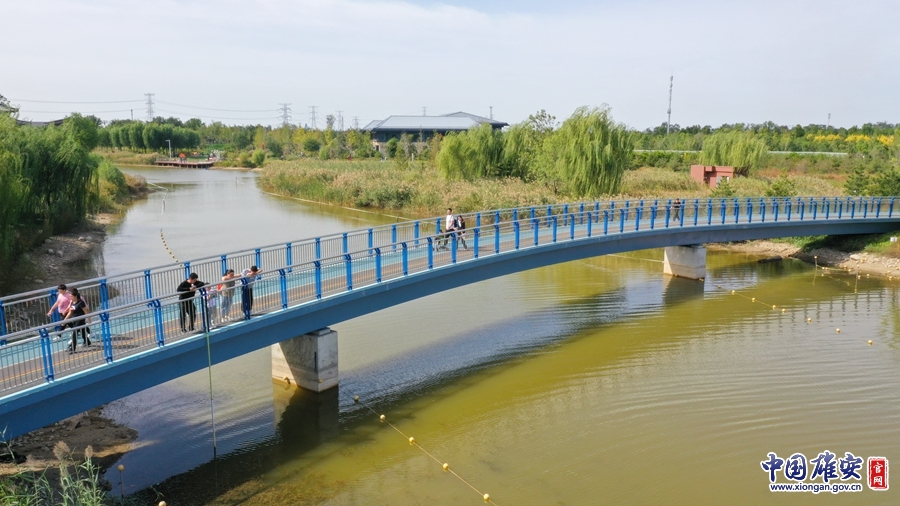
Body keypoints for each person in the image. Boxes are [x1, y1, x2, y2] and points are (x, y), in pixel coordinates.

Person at [63, 288, 90, 353]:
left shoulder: (81, 302)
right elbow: (70, 312)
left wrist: (89, 319)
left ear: (75, 296)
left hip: (80, 320)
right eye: (70, 296)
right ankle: (87, 342)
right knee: (82, 332)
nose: (70, 298)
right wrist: (64, 320)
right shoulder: (72, 302)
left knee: (74, 333)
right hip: (74, 320)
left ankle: (72, 348)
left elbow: (86, 311)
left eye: (71, 296)